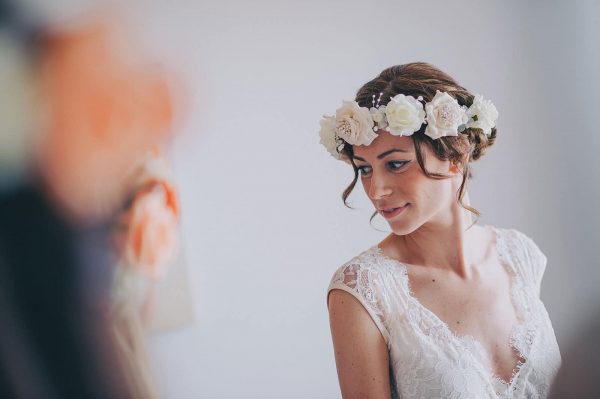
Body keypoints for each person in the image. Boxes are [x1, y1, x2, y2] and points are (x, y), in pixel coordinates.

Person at [321, 62, 561, 398]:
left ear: (456, 154)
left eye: (395, 164)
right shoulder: (363, 290)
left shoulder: (521, 256)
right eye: (364, 169)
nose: (376, 191)